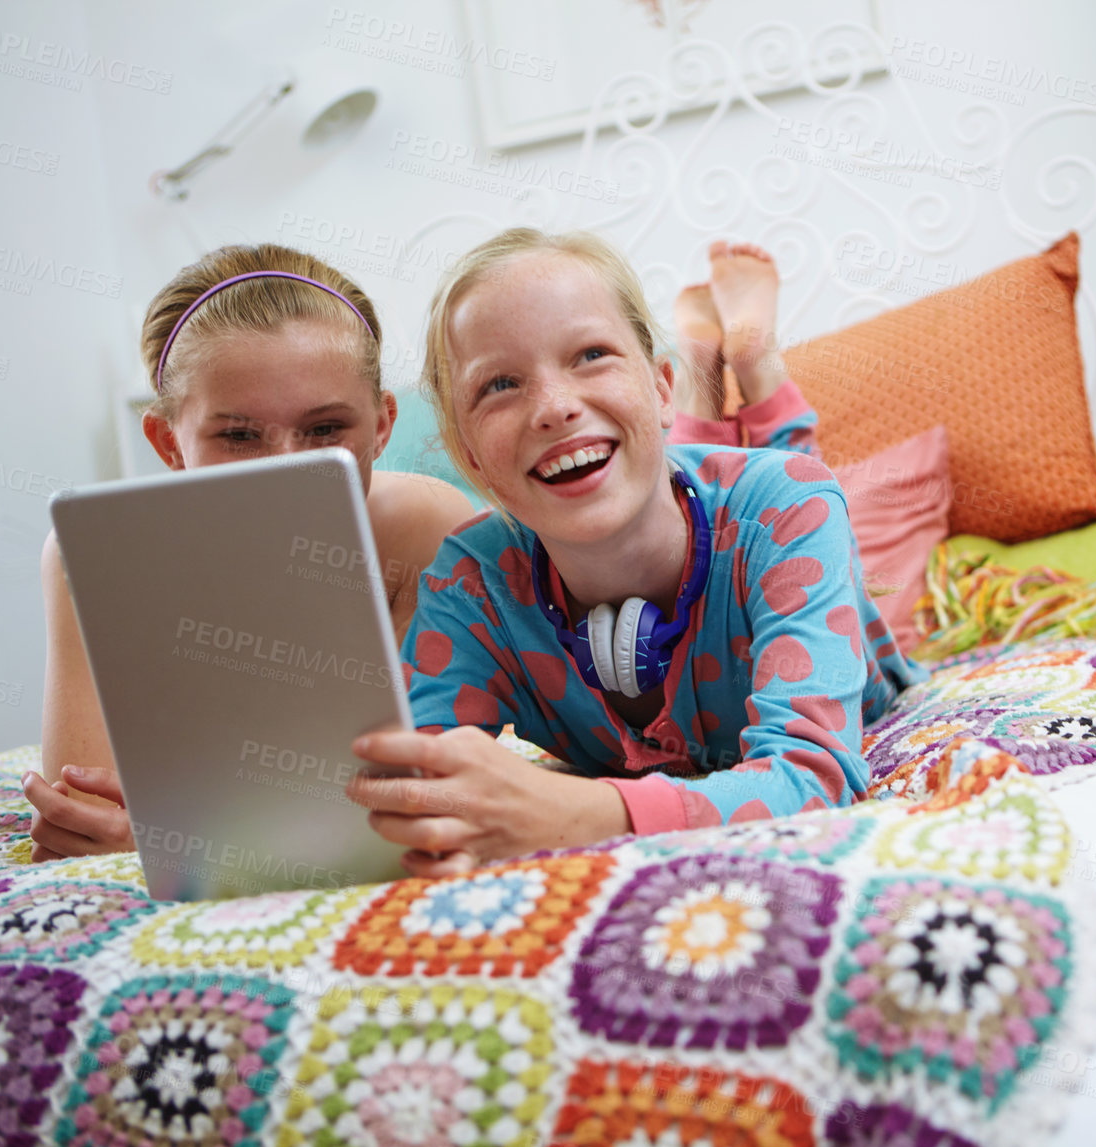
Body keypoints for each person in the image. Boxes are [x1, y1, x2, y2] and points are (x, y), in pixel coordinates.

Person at [345, 233, 923, 877]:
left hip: (814, 582)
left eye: (592, 355)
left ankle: (755, 362)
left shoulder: (786, 506)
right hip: (662, 465)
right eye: (500, 384)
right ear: (471, 459)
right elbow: (412, 795)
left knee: (795, 478)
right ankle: (706, 374)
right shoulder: (472, 581)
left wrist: (581, 813)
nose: (554, 407)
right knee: (631, 456)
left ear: (658, 386)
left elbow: (816, 778)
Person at [23, 244, 475, 861]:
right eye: (238, 435)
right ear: (167, 442)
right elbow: (84, 814)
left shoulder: (428, 529)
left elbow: (420, 794)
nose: (290, 469)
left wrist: (180, 838)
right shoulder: (90, 554)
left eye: (324, 430)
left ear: (382, 426)